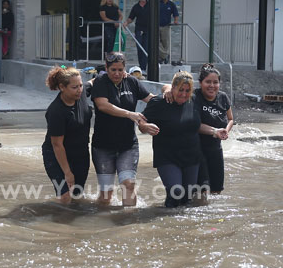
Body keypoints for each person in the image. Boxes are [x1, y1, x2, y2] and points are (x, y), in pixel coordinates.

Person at [139, 71, 227, 208]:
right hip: (167, 156)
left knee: (187, 198)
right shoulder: (159, 102)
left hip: (192, 156)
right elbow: (141, 122)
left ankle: (180, 227)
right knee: (176, 192)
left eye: (187, 90)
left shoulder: (193, 101)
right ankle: (165, 221)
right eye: (180, 90)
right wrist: (145, 126)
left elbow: (197, 126)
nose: (184, 94)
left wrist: (215, 131)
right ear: (173, 87)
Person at [90, 52, 155, 206]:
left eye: (120, 69)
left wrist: (168, 94)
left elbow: (151, 100)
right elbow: (103, 105)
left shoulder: (132, 82)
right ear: (106, 68)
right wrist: (129, 114)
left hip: (127, 145)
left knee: (129, 184)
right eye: (113, 70)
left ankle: (129, 222)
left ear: (125, 68)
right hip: (103, 146)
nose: (117, 73)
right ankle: (103, 224)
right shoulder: (100, 81)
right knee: (106, 194)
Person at [42, 66, 93, 204]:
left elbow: (94, 82)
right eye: (75, 87)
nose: (79, 90)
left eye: (81, 86)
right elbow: (57, 144)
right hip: (56, 155)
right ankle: (59, 223)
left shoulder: (81, 94)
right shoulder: (56, 111)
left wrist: (118, 74)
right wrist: (67, 172)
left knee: (77, 195)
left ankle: (75, 223)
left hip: (80, 153)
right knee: (65, 195)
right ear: (62, 87)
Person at [195, 63, 234, 194]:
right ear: (200, 83)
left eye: (215, 82)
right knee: (203, 190)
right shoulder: (195, 97)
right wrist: (215, 131)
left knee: (217, 190)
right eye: (208, 82)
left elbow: (230, 119)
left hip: (215, 149)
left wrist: (226, 131)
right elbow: (194, 124)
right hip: (197, 149)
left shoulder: (223, 97)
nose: (212, 86)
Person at [123, 0, 149, 73]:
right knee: (139, 48)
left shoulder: (150, 5)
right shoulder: (136, 7)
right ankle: (142, 66)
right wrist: (126, 22)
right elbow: (131, 17)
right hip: (139, 29)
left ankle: (144, 67)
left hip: (148, 30)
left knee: (146, 47)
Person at [159, 0, 179, 64]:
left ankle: (162, 58)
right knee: (156, 42)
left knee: (165, 43)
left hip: (166, 26)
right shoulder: (158, 3)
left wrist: (175, 21)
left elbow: (175, 14)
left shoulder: (171, 4)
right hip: (157, 26)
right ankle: (165, 55)